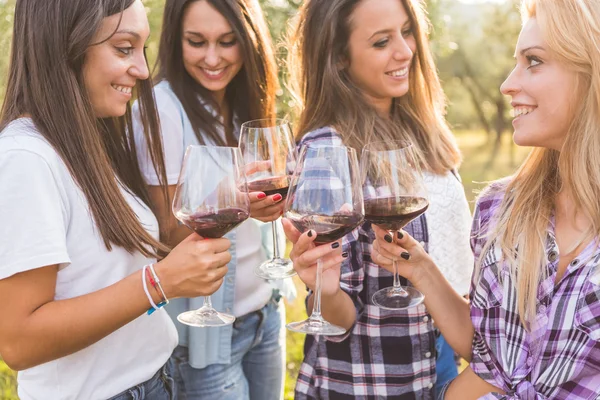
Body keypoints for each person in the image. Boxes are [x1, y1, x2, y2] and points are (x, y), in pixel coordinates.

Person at [0, 0, 234, 399]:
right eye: (125, 48)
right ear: (65, 47)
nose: (143, 70)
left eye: (143, 49)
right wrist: (159, 283)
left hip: (153, 382)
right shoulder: (26, 159)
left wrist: (237, 202)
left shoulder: (90, 141)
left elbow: (115, 264)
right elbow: (19, 342)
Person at [371, 0, 600, 398]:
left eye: (533, 60)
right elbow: (493, 362)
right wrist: (423, 270)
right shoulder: (501, 209)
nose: (507, 84)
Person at [282, 0, 474, 397]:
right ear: (338, 58)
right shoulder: (326, 153)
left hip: (441, 354)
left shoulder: (420, 129)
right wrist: (326, 290)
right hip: (378, 378)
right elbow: (338, 320)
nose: (404, 50)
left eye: (406, 31)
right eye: (381, 41)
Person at [132, 1, 294, 399]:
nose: (212, 58)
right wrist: (234, 201)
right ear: (175, 39)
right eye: (196, 41)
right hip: (206, 336)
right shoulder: (163, 111)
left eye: (227, 42)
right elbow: (163, 237)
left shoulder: (243, 100)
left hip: (264, 313)